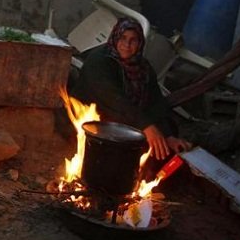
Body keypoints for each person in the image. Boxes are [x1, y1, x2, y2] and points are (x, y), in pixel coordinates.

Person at [72, 17, 192, 162]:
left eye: (133, 40)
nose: (127, 45)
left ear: (140, 42)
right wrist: (147, 126)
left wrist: (167, 135)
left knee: (167, 138)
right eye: (123, 38)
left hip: (128, 121)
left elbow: (156, 103)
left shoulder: (143, 68)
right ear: (115, 37)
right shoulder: (99, 61)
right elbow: (115, 100)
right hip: (95, 121)